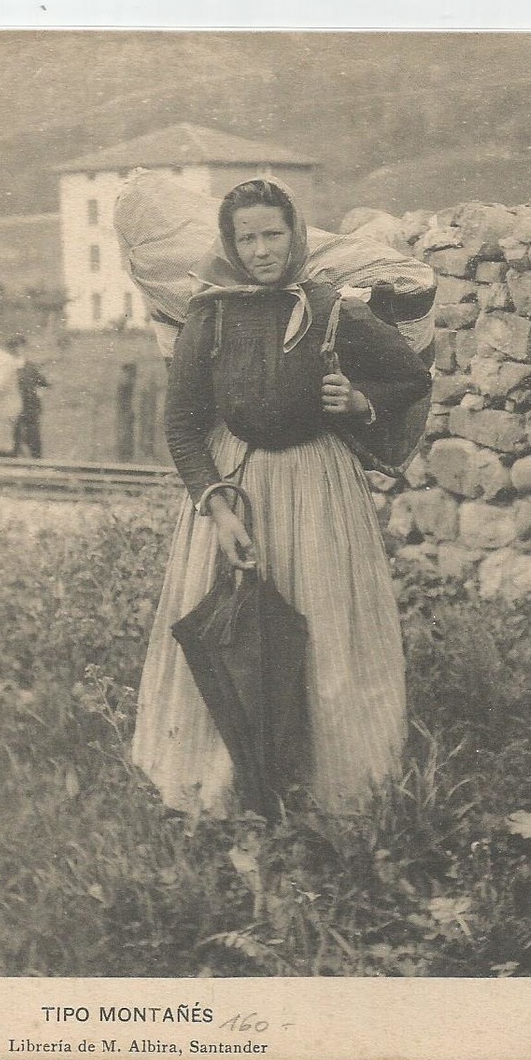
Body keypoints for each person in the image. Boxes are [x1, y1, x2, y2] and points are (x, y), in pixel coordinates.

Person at [132, 178, 431, 818]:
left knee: (326, 630)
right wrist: (215, 510)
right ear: (229, 244)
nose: (263, 250)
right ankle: (227, 787)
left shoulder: (327, 306)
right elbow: (182, 425)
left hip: (318, 489)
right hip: (239, 494)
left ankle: (336, 789)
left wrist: (358, 401)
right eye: (248, 238)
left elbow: (409, 378)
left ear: (295, 235)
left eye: (274, 234)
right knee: (232, 631)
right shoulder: (208, 315)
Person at [14, 359, 50, 458]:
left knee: (32, 433)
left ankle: (35, 458)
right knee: (18, 433)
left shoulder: (30, 368)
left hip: (30, 406)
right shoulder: (13, 366)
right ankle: (19, 456)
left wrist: (38, 396)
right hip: (19, 406)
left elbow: (44, 384)